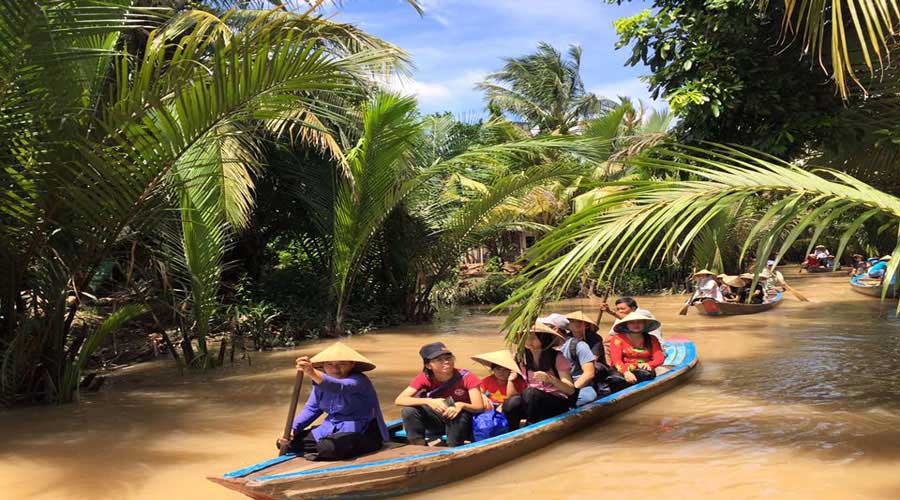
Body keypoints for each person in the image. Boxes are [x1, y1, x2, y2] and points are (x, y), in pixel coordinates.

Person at [280, 342, 388, 461]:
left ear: (352, 364)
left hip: (362, 431)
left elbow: (339, 387)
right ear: (324, 366)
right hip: (330, 428)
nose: (335, 368)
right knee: (287, 443)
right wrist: (292, 429)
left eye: (341, 364)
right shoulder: (319, 384)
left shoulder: (359, 380)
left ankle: (324, 451)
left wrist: (311, 372)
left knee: (327, 447)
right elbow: (312, 409)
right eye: (329, 364)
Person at [395, 342, 484, 447]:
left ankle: (454, 447)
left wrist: (461, 405)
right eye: (439, 360)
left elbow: (479, 407)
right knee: (409, 410)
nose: (446, 362)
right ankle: (419, 446)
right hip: (438, 421)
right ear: (428, 365)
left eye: (448, 358)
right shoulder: (425, 377)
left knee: (455, 412)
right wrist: (429, 401)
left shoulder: (467, 377)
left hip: (463, 422)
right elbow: (400, 400)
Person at [502, 323, 575, 430]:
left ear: (543, 338)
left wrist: (550, 379)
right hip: (531, 402)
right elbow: (512, 394)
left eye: (532, 338)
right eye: (525, 338)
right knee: (511, 403)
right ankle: (511, 431)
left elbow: (570, 390)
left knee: (531, 393)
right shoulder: (522, 358)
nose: (528, 341)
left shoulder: (557, 357)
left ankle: (532, 426)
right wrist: (511, 380)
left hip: (556, 402)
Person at [539, 313, 597, 406]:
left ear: (555, 329)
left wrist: (571, 390)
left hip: (579, 386)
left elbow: (589, 373)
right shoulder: (542, 348)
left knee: (587, 398)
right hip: (553, 386)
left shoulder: (579, 346)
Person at [606, 311, 665, 393]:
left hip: (642, 369)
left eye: (639, 322)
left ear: (645, 324)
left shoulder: (652, 339)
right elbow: (616, 360)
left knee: (644, 374)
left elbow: (659, 358)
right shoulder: (617, 339)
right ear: (626, 325)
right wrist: (626, 372)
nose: (636, 325)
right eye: (632, 323)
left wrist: (649, 364)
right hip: (622, 369)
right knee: (616, 380)